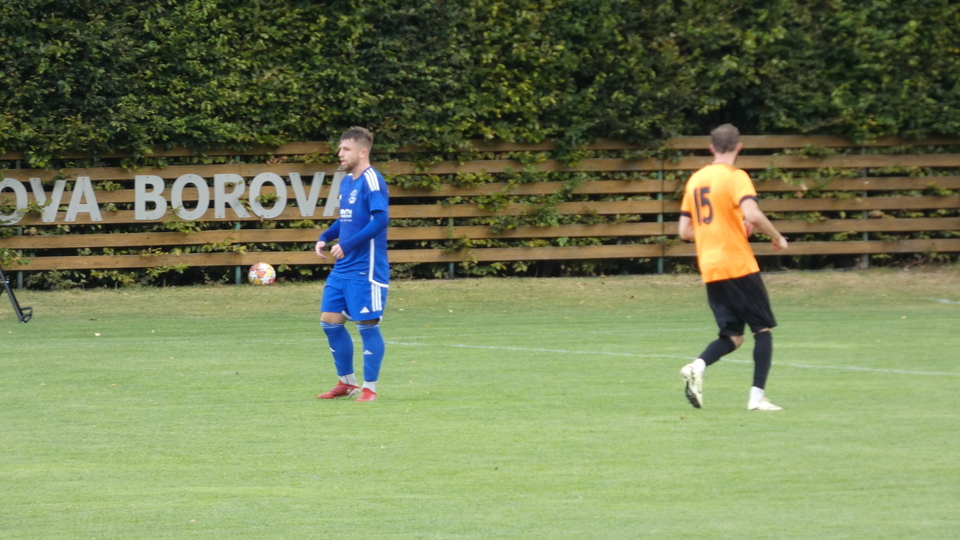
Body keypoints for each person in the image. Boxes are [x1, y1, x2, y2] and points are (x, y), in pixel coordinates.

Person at [677, 123, 788, 411]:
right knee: (762, 329)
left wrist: (730, 225)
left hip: (711, 268)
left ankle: (696, 367)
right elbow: (753, 213)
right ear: (739, 147)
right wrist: (777, 236)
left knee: (733, 336)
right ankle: (757, 399)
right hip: (737, 264)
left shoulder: (695, 180)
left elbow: (685, 231)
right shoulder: (736, 177)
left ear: (711, 148)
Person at [315, 127, 390, 402]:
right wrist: (325, 236)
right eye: (340, 148)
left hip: (365, 269)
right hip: (343, 268)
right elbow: (346, 217)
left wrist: (346, 245)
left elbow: (380, 220)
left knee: (367, 325)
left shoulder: (372, 180)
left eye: (346, 149)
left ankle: (370, 388)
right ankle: (347, 383)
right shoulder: (347, 181)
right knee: (330, 322)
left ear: (362, 152)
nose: (340, 153)